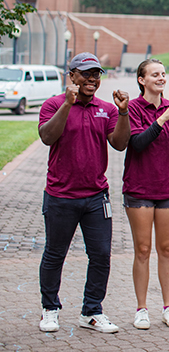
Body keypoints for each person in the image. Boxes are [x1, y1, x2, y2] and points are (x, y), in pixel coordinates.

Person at [37, 52, 130, 334]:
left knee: (101, 254)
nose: (92, 79)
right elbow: (47, 137)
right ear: (72, 75)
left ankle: (91, 312)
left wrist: (124, 112)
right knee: (55, 254)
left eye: (97, 74)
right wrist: (68, 104)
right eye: (86, 73)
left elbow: (120, 143)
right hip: (60, 196)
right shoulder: (53, 104)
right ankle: (50, 310)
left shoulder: (107, 109)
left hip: (95, 196)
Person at [123, 59, 169, 330]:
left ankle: (168, 308)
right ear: (142, 80)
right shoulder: (133, 109)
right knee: (142, 249)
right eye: (155, 74)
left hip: (167, 188)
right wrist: (163, 118)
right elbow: (137, 143)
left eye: (163, 74)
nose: (161, 78)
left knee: (166, 249)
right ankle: (141, 309)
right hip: (139, 189)